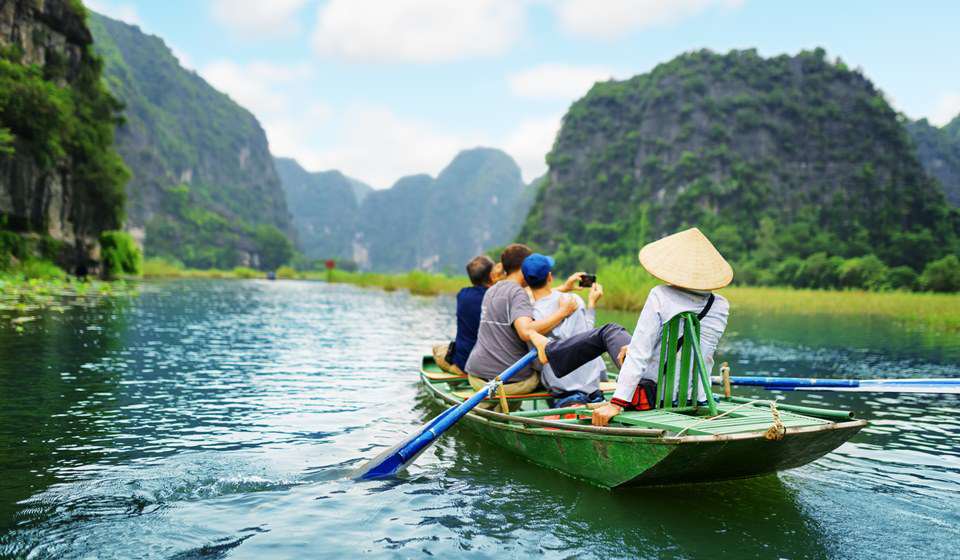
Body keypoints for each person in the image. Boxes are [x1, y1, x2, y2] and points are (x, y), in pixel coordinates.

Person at [528, 228, 732, 426]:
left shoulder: (661, 295)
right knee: (624, 341)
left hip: (652, 394)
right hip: (695, 396)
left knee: (610, 331)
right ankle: (550, 351)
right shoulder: (721, 305)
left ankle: (549, 351)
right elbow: (696, 351)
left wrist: (617, 403)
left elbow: (640, 355)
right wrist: (634, 347)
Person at [464, 244, 583, 408]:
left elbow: (525, 296)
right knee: (549, 374)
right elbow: (525, 331)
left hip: (476, 374)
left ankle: (501, 410)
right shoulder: (518, 294)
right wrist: (563, 312)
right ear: (523, 268)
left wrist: (563, 288)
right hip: (507, 381)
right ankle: (561, 409)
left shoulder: (493, 289)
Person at [522, 253, 608, 408]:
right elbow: (589, 336)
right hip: (591, 384)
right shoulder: (573, 300)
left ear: (525, 280)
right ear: (550, 277)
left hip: (560, 388)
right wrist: (591, 304)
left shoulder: (526, 315)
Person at [432, 255, 497, 375]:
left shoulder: (462, 295)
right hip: (491, 363)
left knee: (436, 349)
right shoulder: (497, 297)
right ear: (492, 276)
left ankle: (456, 370)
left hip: (464, 362)